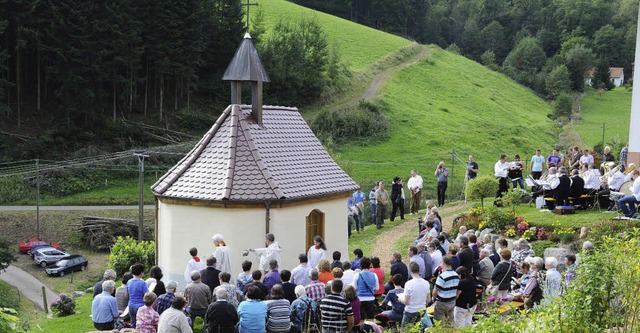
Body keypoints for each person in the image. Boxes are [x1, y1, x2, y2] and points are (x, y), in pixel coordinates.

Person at [400, 262, 430, 328]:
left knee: (404, 330)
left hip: (410, 311)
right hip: (422, 311)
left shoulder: (408, 284)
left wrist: (400, 298)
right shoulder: (426, 283)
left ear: (410, 270)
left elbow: (406, 301)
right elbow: (428, 300)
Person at [431, 255, 459, 327]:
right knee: (450, 321)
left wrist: (433, 298)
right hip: (452, 301)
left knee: (439, 323)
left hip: (442, 303)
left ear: (443, 263)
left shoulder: (442, 276)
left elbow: (435, 290)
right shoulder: (456, 275)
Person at [128, 262, 149, 328]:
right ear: (141, 272)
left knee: (133, 324)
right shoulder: (142, 283)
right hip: (140, 306)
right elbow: (147, 295)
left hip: (131, 305)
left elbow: (127, 294)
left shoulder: (129, 281)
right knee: (141, 325)